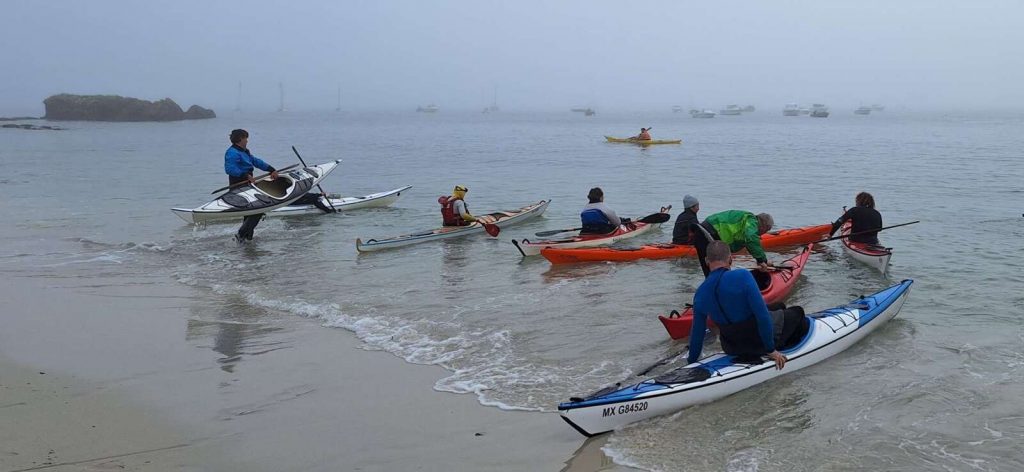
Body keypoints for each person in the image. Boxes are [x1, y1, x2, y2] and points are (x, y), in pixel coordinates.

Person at [687, 241, 808, 370]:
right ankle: (787, 348)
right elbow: (761, 316)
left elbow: (697, 334)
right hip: (758, 343)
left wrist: (691, 363)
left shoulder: (700, 293)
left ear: (706, 261)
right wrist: (770, 350)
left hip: (731, 347)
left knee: (779, 305)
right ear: (730, 259)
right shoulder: (742, 276)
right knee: (797, 312)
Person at [224, 129, 278, 242]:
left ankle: (247, 239)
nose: (247, 141)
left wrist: (271, 169)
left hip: (248, 182)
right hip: (238, 183)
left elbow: (255, 161)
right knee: (256, 210)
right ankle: (241, 235)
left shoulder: (244, 151)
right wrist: (245, 175)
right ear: (240, 139)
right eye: (245, 138)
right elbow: (230, 169)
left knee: (252, 211)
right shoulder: (232, 153)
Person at [691, 210, 774, 277]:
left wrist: (762, 262)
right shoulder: (751, 221)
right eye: (766, 231)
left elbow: (749, 243)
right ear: (764, 226)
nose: (762, 234)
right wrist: (762, 260)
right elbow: (751, 238)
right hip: (709, 234)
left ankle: (714, 292)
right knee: (718, 269)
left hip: (702, 232)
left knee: (710, 271)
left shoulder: (746, 220)